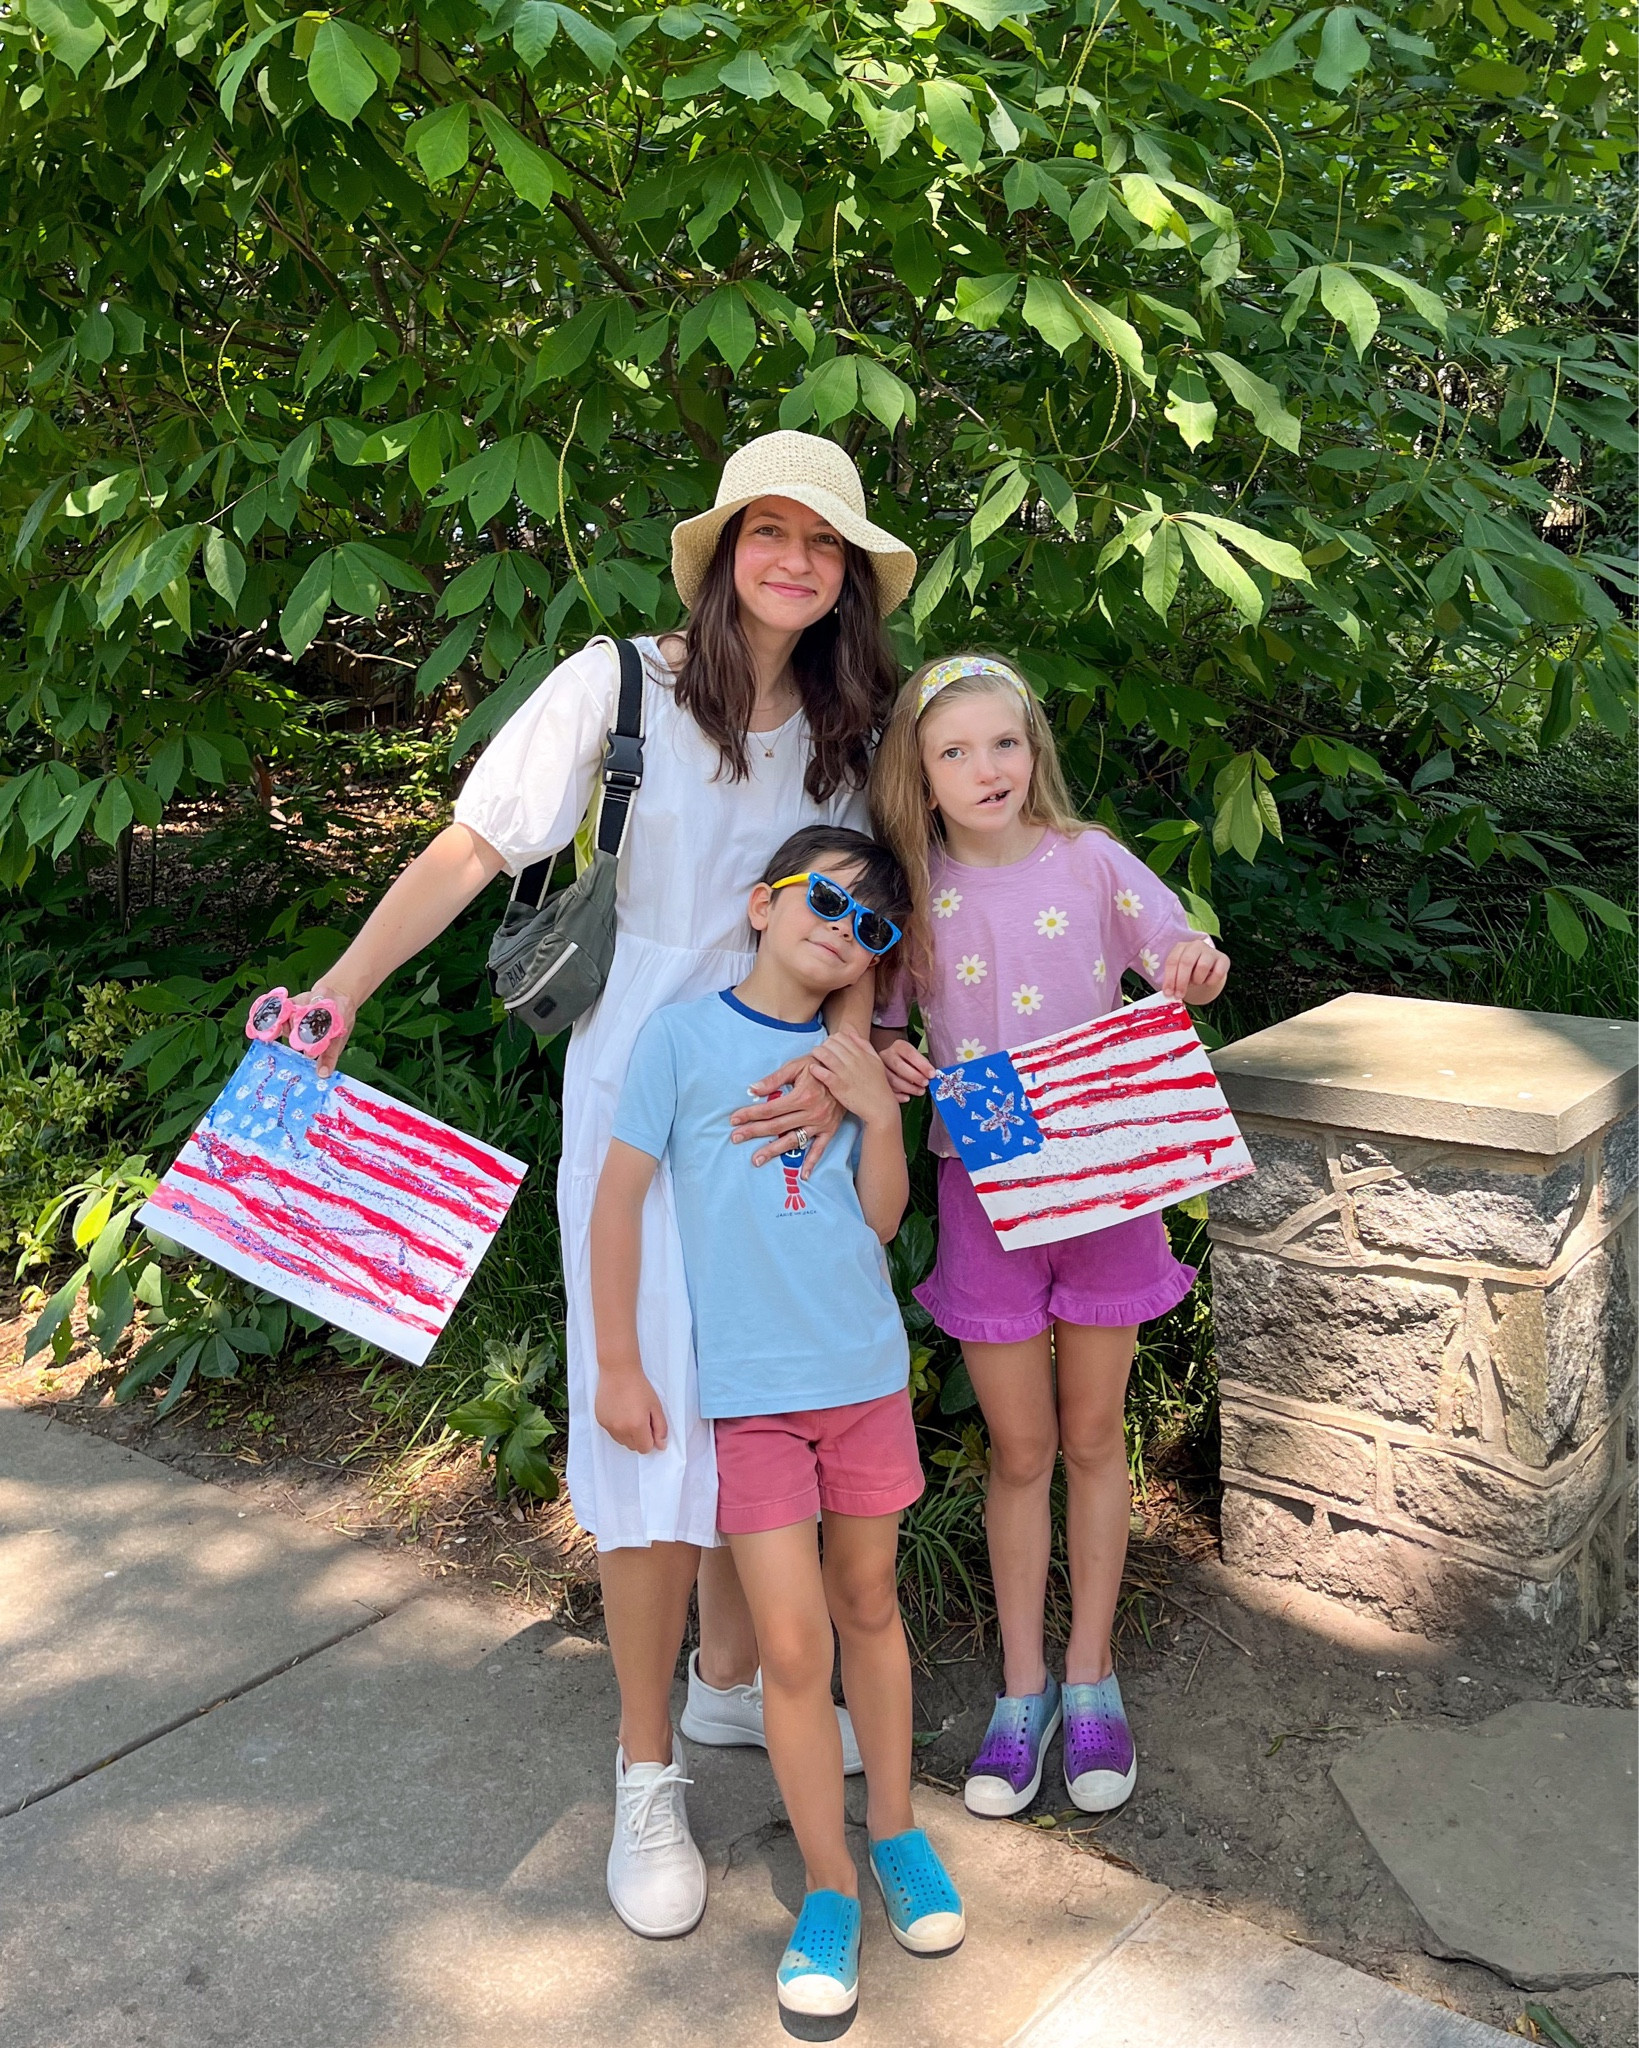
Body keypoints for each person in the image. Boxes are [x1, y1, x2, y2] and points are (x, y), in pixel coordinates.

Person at [260, 433, 918, 1938]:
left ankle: (726, 1685)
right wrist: (342, 988)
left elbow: (873, 918)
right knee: (647, 1431)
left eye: (825, 544)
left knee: (762, 1406)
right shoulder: (613, 685)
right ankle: (643, 1778)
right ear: (719, 549)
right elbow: (473, 846)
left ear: (847, 581)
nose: (796, 562)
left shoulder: (851, 723)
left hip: (785, 1120)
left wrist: (850, 1061)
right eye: (770, 530)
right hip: (637, 1099)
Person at [591, 825, 963, 2023]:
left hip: (863, 1375)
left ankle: (897, 1833)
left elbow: (878, 1222)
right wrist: (615, 1363)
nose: (842, 928)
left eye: (871, 926)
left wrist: (878, 1108)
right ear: (760, 902)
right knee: (794, 1650)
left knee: (869, 1610)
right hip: (747, 1400)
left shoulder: (852, 1058)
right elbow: (616, 1200)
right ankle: (827, 1885)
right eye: (825, 901)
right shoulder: (682, 1038)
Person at [868, 654, 1230, 1822]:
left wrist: (1191, 964)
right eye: (955, 751)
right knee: (1018, 1450)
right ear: (919, 777)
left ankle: (1089, 1673)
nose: (986, 769)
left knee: (1089, 1435)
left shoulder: (1089, 860)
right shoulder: (910, 889)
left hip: (1109, 1171)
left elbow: (1178, 958)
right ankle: (1020, 1683)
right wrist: (887, 1056)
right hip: (988, 1180)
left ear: (1036, 750)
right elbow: (872, 1024)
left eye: (1005, 744)